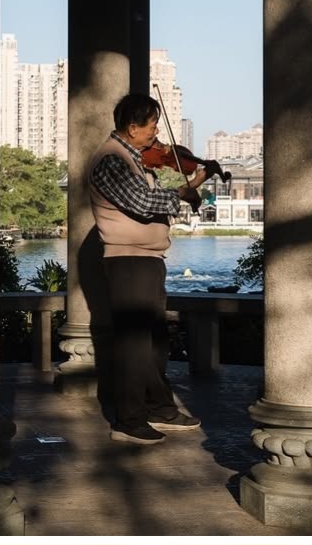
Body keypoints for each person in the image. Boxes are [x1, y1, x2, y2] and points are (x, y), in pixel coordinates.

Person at [89, 93, 211, 445]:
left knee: (155, 340)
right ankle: (128, 420)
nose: (157, 132)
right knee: (134, 343)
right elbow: (142, 203)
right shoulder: (111, 160)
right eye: (152, 125)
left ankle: (159, 407)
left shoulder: (134, 159)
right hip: (128, 261)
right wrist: (186, 191)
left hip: (147, 259)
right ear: (132, 128)